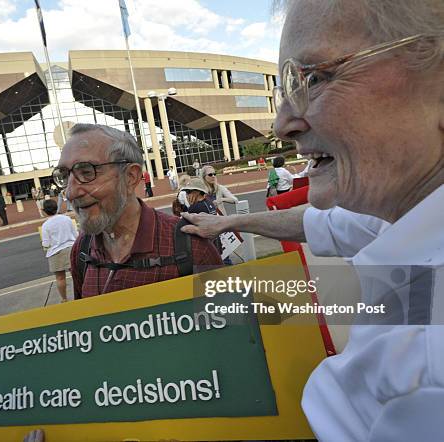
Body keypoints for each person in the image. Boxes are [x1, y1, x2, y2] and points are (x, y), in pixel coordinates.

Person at [184, 0, 443, 438]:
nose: (282, 122)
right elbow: (317, 223)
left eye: (315, 77)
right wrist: (227, 224)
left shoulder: (422, 369)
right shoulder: (401, 214)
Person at [52, 123, 222, 299]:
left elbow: (232, 321)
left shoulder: (190, 246)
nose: (70, 193)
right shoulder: (82, 249)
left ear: (131, 177)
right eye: (65, 176)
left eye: (87, 172)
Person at [41, 199, 78, 303]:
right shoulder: (67, 219)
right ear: (56, 208)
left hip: (55, 252)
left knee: (60, 278)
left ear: (44, 211)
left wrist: (44, 246)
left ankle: (64, 299)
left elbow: (46, 244)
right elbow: (75, 234)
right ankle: (80, 293)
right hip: (71, 248)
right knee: (75, 274)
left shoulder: (45, 225)